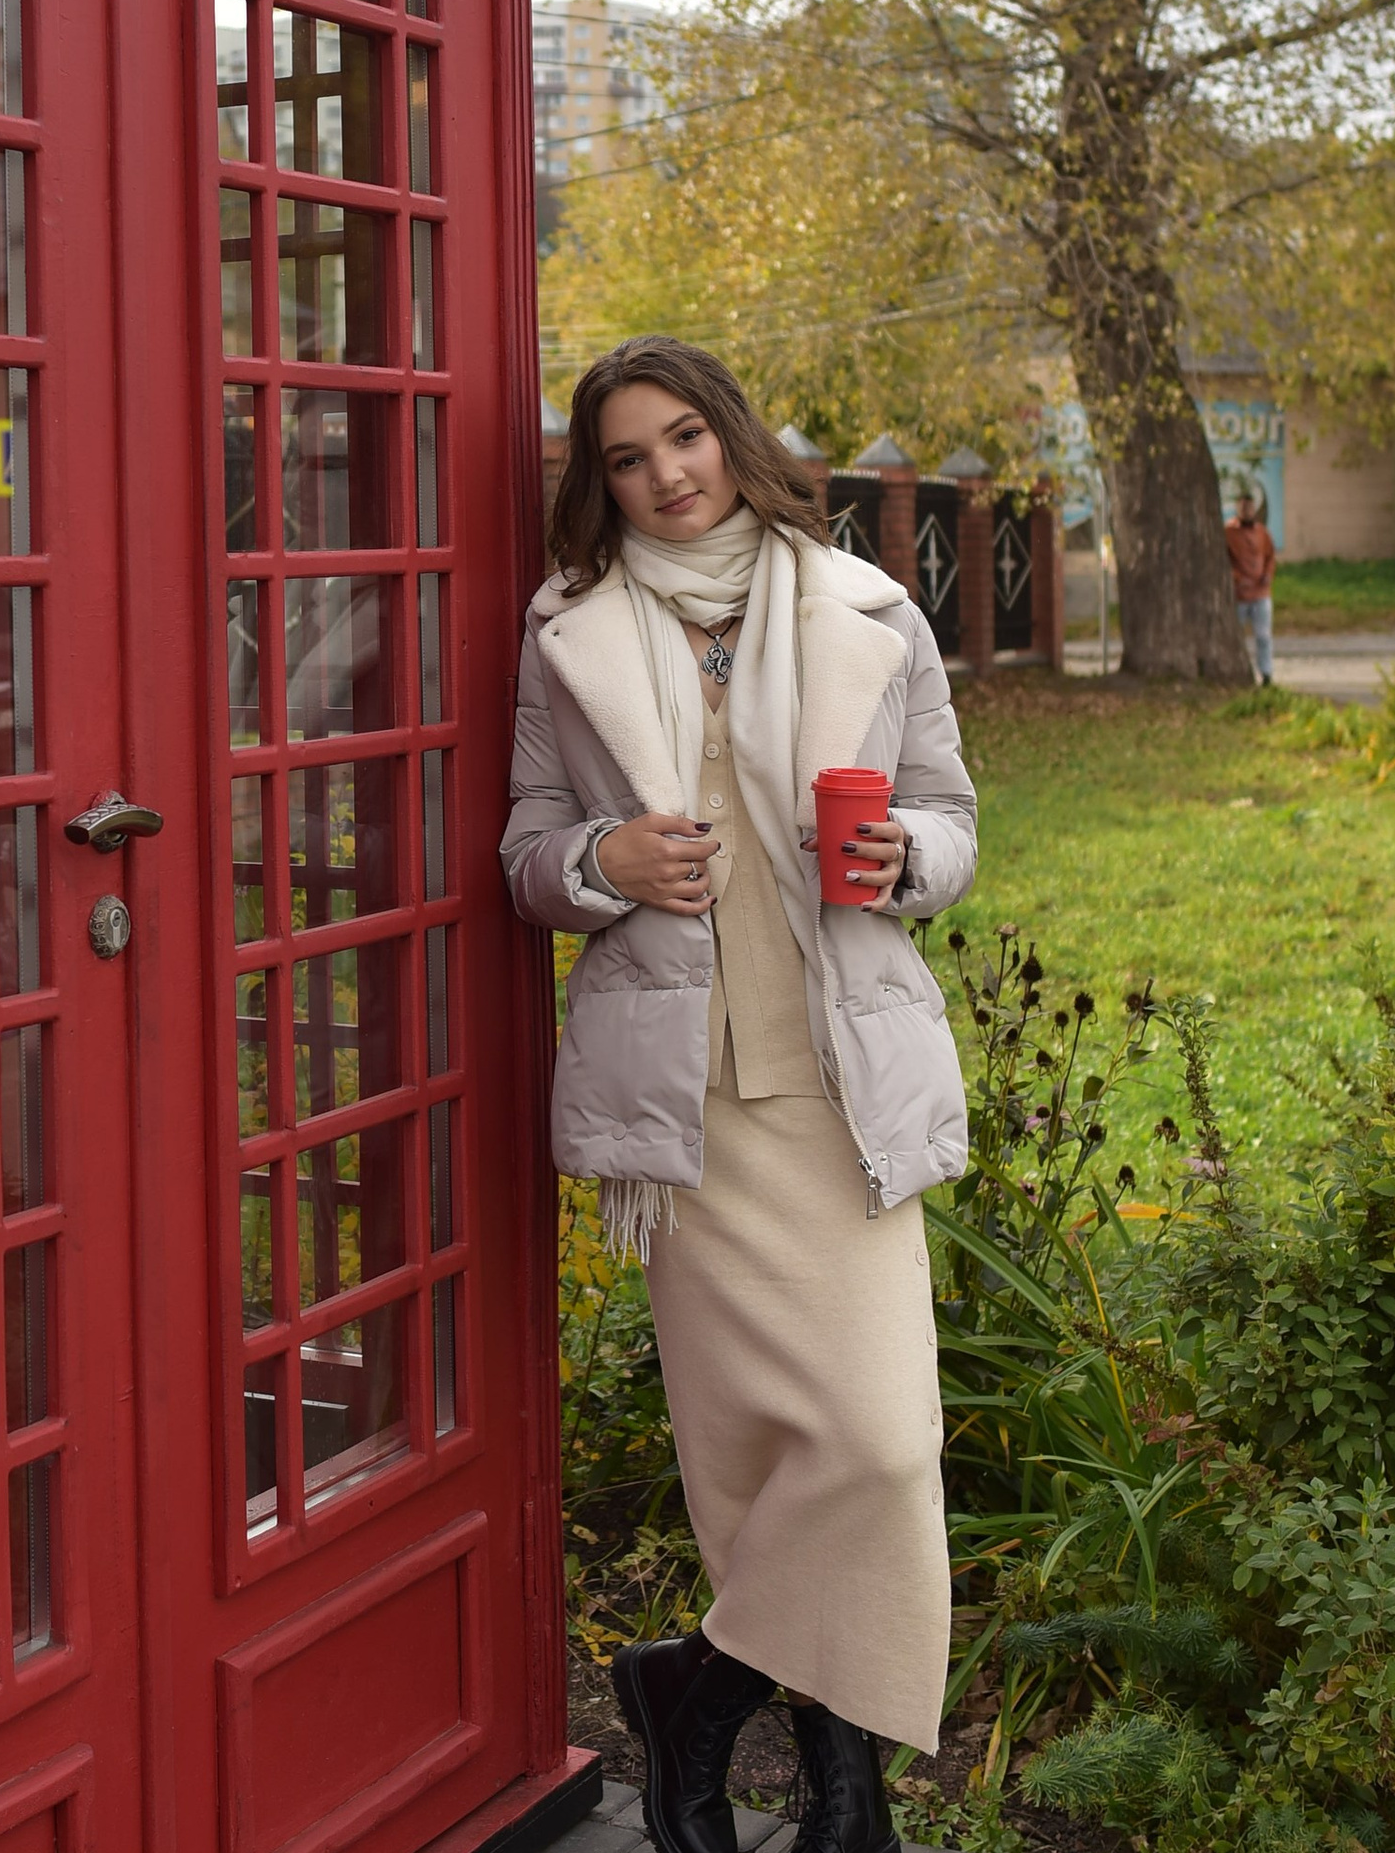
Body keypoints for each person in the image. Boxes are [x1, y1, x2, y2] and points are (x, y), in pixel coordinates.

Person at [502, 336, 974, 1853]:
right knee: (766, 1459)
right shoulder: (568, 628)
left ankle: (691, 1695)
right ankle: (849, 1811)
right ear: (603, 482)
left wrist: (911, 853)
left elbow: (955, 817)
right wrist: (599, 865)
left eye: (685, 439)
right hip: (688, 1111)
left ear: (733, 437)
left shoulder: (868, 609)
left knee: (881, 1447)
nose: (665, 477)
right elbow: (525, 849)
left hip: (840, 1091)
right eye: (628, 458)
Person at [1225, 489, 1277, 685]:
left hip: (1261, 593)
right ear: (1237, 507)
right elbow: (1224, 560)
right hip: (1240, 594)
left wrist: (1268, 575)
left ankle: (1266, 674)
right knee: (1236, 636)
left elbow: (1270, 557)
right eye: (1242, 506)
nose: (1246, 510)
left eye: (1250, 506)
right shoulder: (1228, 532)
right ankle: (1235, 672)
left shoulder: (1262, 532)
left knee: (1263, 636)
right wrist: (1237, 578)